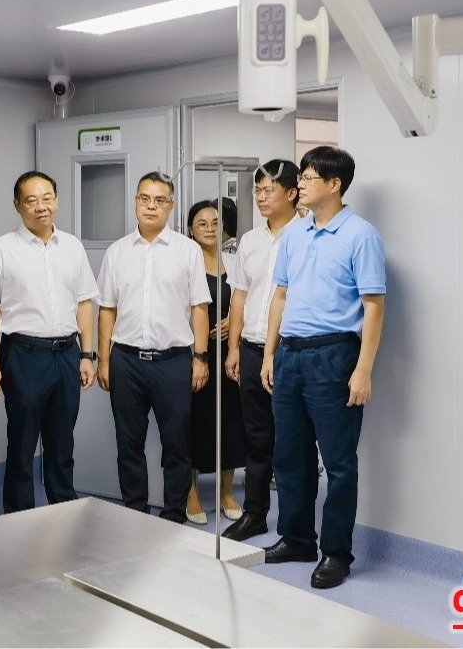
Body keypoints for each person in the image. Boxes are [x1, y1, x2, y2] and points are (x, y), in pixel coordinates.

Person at [260, 146, 386, 590]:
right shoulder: (294, 235)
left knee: (338, 462)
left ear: (334, 184)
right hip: (290, 355)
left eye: (309, 178)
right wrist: (270, 353)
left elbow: (374, 307)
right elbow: (280, 296)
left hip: (334, 356)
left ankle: (336, 552)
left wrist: (363, 370)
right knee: (289, 456)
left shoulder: (360, 235)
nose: (302, 184)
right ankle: (296, 539)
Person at [0, 170, 99, 514]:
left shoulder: (73, 247)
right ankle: (20, 522)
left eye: (47, 198)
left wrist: (87, 354)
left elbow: (85, 303)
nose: (41, 206)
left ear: (56, 200)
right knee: (21, 445)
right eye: (31, 200)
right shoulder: (1, 249)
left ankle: (63, 515)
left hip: (67, 354)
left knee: (62, 444)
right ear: (17, 205)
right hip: (23, 355)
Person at [97, 172, 210, 523]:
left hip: (173, 361)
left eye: (159, 200)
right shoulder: (117, 252)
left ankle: (174, 516)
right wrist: (104, 360)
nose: (151, 206)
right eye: (144, 199)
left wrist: (200, 357)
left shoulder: (187, 251)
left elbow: (200, 307)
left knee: (177, 445)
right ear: (135, 202)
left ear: (170, 206)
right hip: (126, 361)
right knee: (128, 444)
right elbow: (107, 309)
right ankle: (136, 515)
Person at [221, 159, 303, 541]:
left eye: (269, 190)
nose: (261, 197)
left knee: (291, 442)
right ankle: (254, 514)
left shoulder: (306, 236)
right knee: (257, 438)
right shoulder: (250, 241)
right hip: (251, 350)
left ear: (292, 193)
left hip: (289, 351)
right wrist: (233, 348)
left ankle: (295, 527)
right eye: (258, 190)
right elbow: (239, 296)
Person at [185, 200, 247, 525]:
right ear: (190, 229)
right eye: (202, 223)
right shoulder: (185, 260)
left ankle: (226, 492)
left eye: (215, 222)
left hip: (230, 352)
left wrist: (236, 322)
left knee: (232, 421)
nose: (210, 228)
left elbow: (249, 298)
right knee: (195, 420)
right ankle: (191, 492)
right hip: (196, 352)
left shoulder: (234, 261)